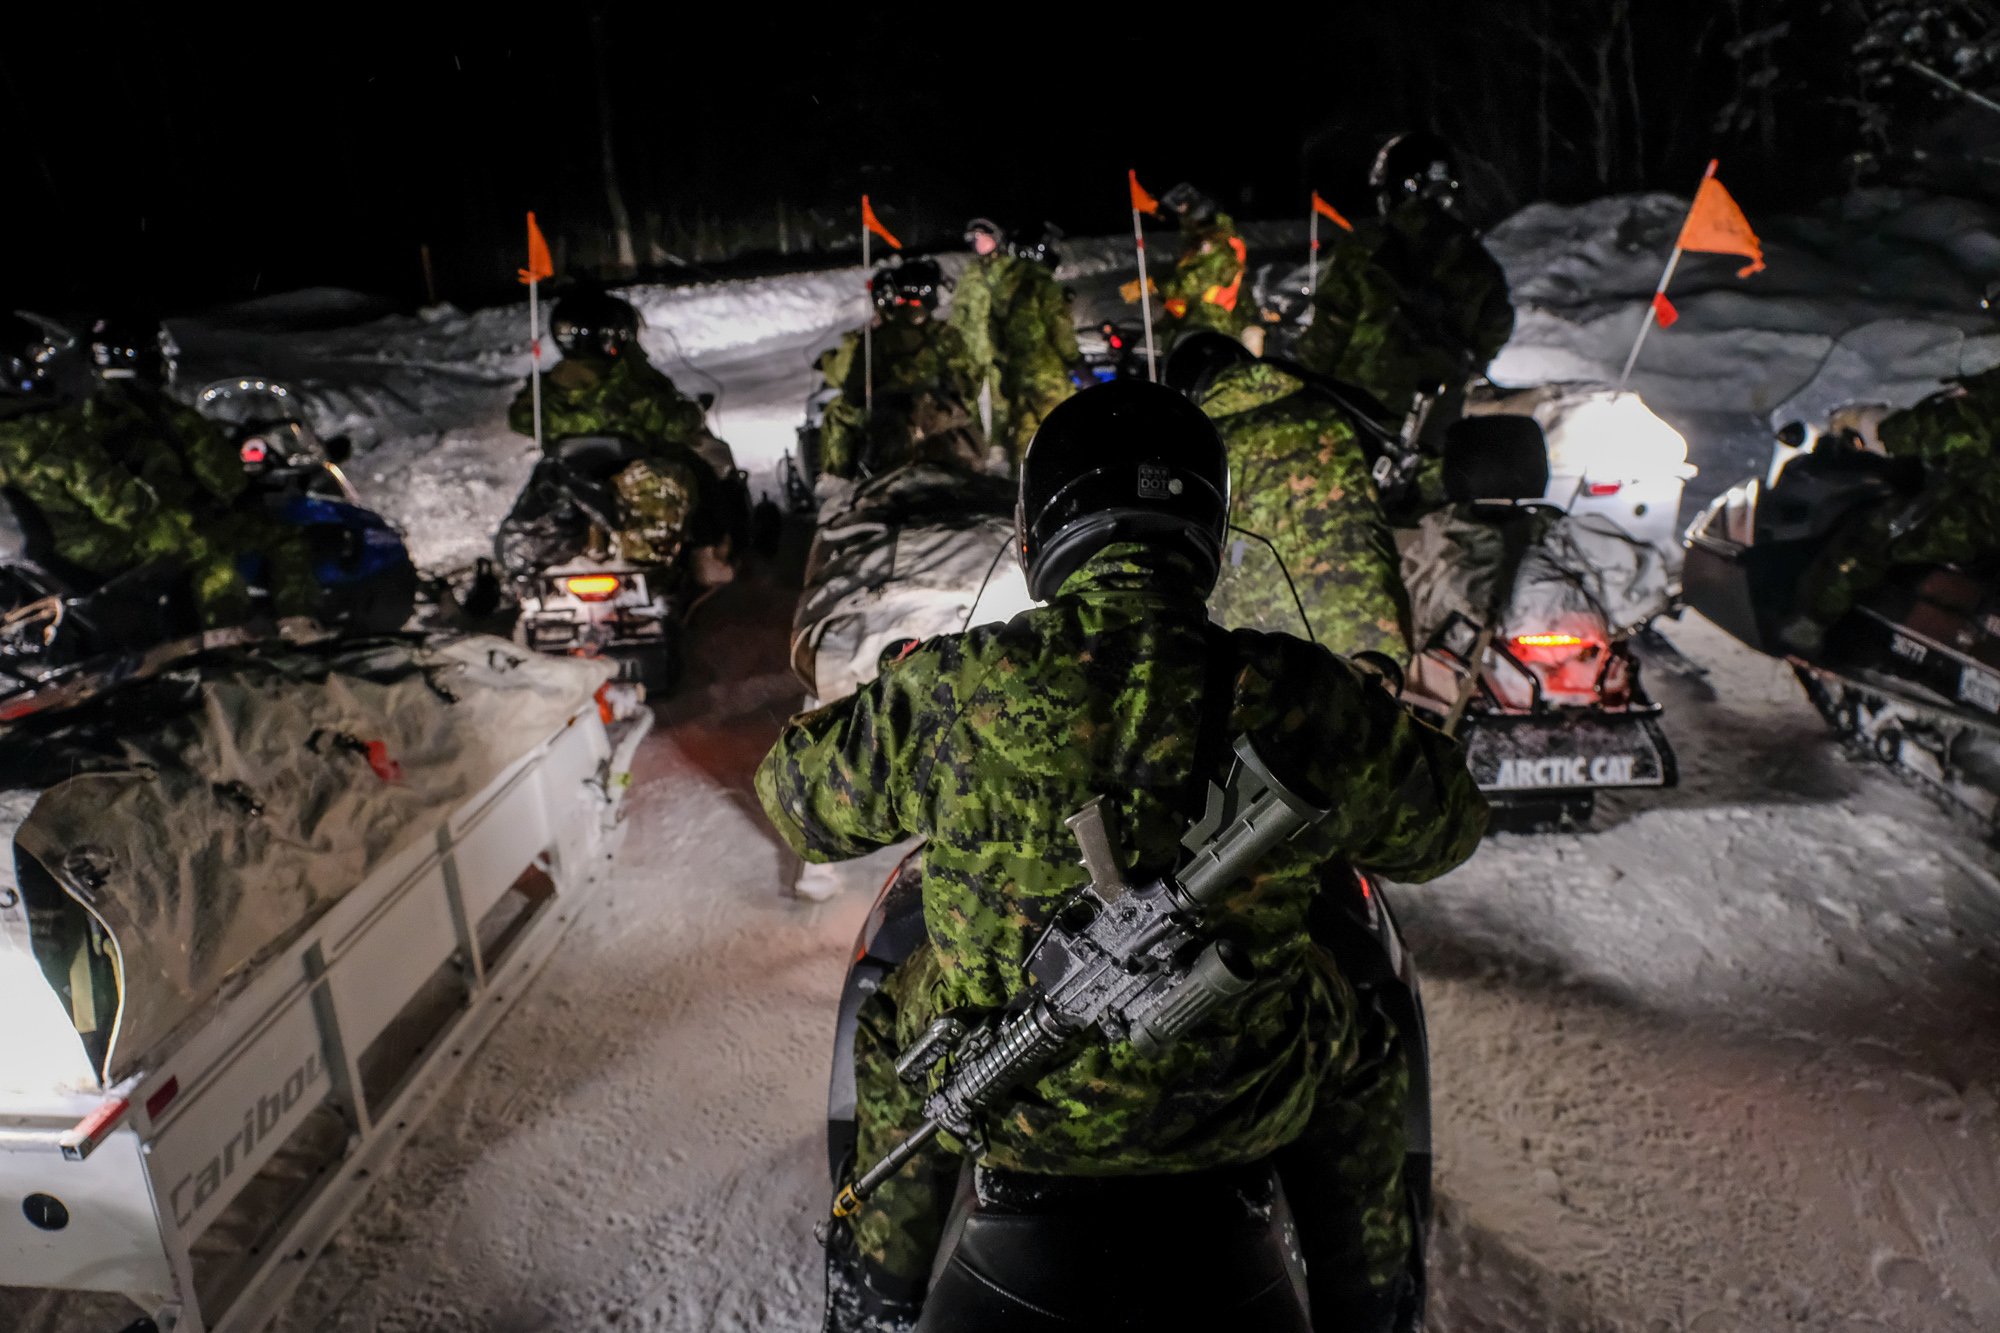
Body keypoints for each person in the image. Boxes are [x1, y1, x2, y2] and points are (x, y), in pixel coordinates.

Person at [756, 379, 1486, 1330]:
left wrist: (906, 688)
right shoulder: (1294, 689)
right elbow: (1447, 827)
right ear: (1212, 537)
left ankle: (873, 1300)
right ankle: (1372, 1305)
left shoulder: (954, 686)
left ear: (1034, 539)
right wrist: (1356, 706)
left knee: (900, 1027)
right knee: (1356, 1039)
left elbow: (795, 800)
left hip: (1012, 1120)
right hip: (1243, 1109)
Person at [1168, 333, 1412, 661]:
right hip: (1375, 642)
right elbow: (1407, 487)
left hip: (1278, 663)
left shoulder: (1199, 452)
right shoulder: (1329, 406)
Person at [1296, 132, 1514, 438]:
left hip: (1360, 421)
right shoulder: (1475, 258)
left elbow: (1324, 341)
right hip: (1434, 423)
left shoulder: (1363, 251)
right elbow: (1497, 326)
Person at [509, 289, 730, 572]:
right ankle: (708, 558)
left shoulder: (549, 384)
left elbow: (522, 419)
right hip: (634, 462)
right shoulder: (630, 376)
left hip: (570, 466)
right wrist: (691, 414)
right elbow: (671, 423)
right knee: (701, 476)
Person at [1787, 366, 2000, 653]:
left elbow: (1937, 430)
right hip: (1975, 489)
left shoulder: (1986, 408)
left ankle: (1810, 623)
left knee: (1878, 536)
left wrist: (1861, 421)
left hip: (1984, 517)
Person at [814, 258, 980, 479]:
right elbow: (969, 381)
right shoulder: (947, 335)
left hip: (894, 423)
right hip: (946, 419)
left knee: (838, 412)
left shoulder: (878, 338)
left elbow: (852, 386)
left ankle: (837, 480)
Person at [945, 217, 1082, 461]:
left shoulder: (1010, 273)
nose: (979, 244)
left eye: (983, 237)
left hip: (1010, 356)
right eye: (975, 239)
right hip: (992, 351)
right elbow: (963, 312)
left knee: (1012, 410)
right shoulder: (976, 275)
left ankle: (1007, 453)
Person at [1158, 182, 1253, 339]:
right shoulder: (1207, 240)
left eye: (1184, 211)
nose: (1182, 218)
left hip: (1211, 320)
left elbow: (1191, 284)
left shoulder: (1219, 245)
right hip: (1197, 316)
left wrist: (1155, 285)